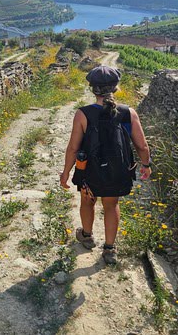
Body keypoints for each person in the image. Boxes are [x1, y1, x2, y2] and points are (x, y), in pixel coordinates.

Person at [60, 65, 152, 265]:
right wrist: (146, 165)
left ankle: (86, 236)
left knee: (87, 202)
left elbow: (73, 148)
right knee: (111, 205)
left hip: (89, 171)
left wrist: (66, 172)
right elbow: (142, 146)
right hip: (118, 170)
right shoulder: (129, 113)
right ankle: (109, 249)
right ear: (116, 87)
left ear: (92, 88)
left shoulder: (82, 114)